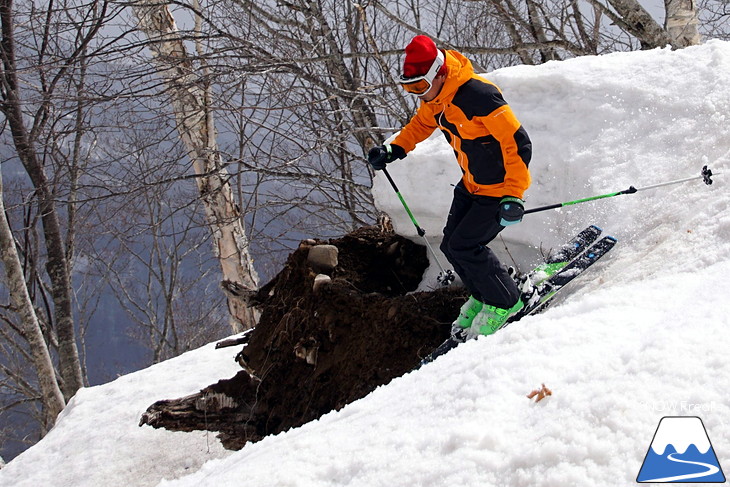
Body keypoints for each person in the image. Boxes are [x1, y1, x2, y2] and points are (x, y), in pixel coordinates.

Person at [368, 35, 533, 339]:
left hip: (498, 190)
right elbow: (420, 125)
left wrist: (514, 194)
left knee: (466, 246)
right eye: (409, 88)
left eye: (419, 86)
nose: (417, 94)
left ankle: (506, 302)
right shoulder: (437, 99)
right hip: (471, 185)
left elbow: (518, 144)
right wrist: (394, 149)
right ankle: (484, 294)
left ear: (440, 73)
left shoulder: (479, 97)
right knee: (450, 245)